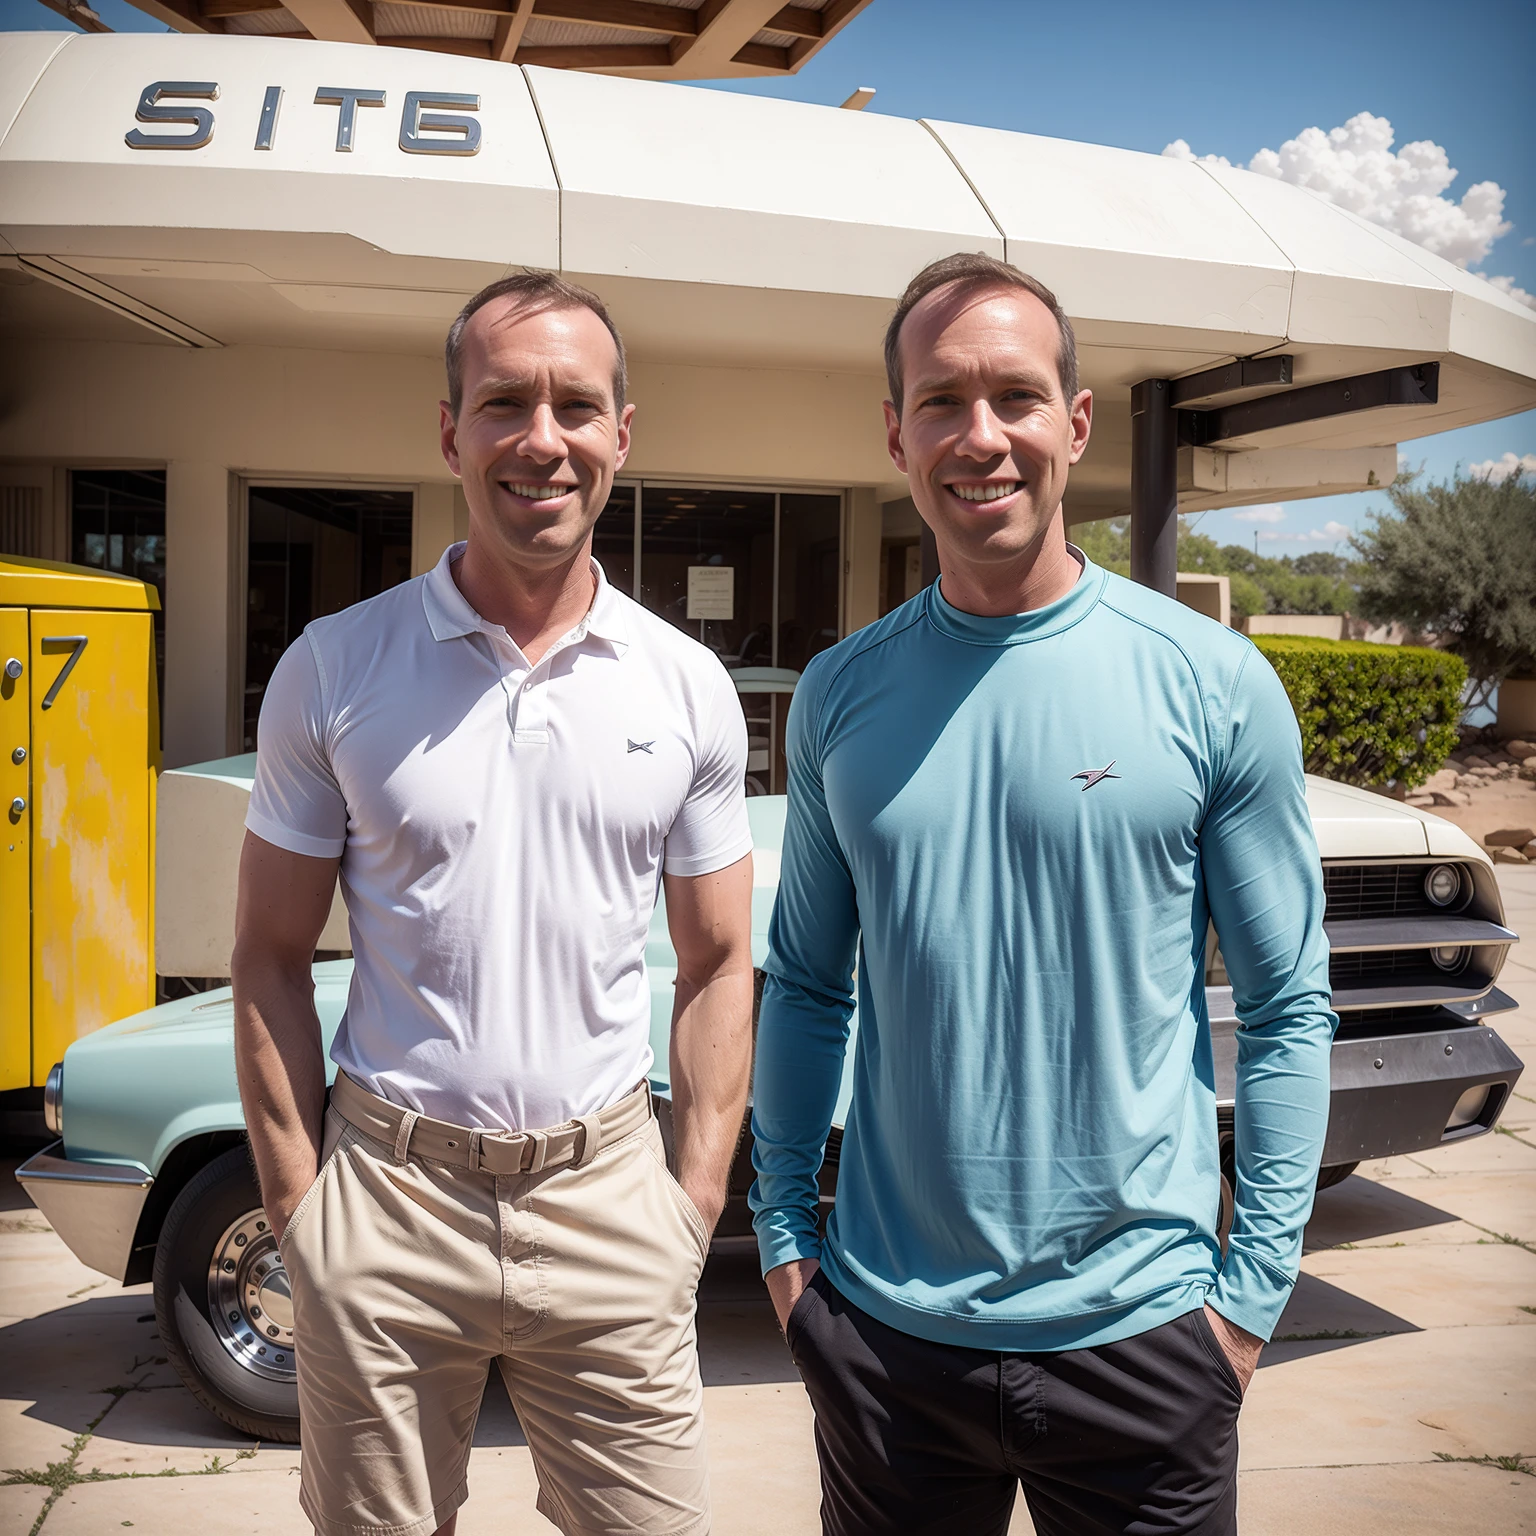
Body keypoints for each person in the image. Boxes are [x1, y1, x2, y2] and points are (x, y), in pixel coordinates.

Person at [750, 252, 1336, 1536]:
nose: (982, 436)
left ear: (1075, 423)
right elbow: (803, 984)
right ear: (895, 433)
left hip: (1151, 1344)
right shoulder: (841, 696)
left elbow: (1291, 1009)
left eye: (1016, 396)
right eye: (942, 400)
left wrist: (1246, 1303)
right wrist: (787, 1247)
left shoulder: (1213, 683)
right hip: (889, 1347)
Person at [232, 271, 755, 1536]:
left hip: (611, 1201)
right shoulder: (337, 668)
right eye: (504, 402)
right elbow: (265, 954)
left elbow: (720, 963)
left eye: (577, 405)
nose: (543, 438)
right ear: (451, 431)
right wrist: (308, 1215)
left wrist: (688, 1203)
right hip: (392, 1205)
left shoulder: (685, 687)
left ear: (622, 435)